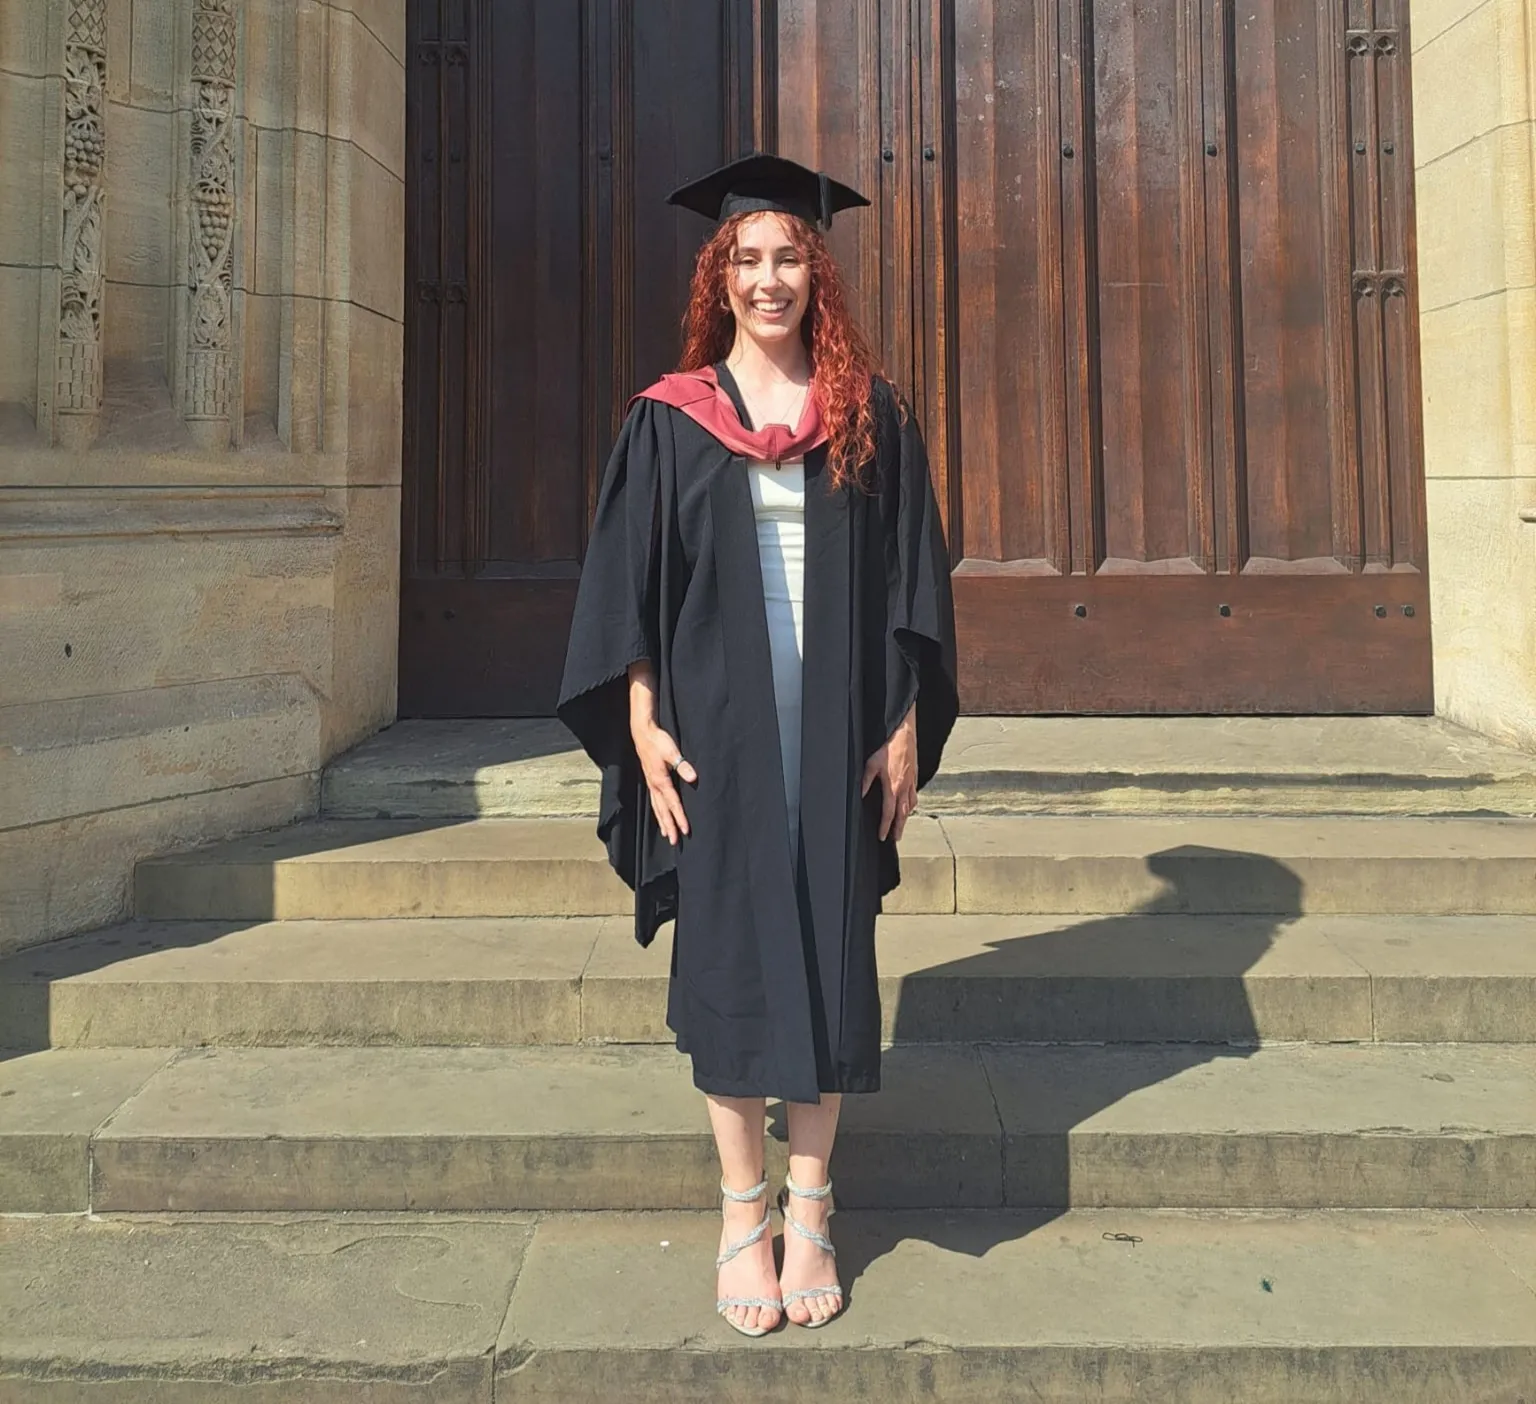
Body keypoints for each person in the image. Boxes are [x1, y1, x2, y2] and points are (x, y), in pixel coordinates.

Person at [558, 153, 958, 1337]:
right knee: (730, 955)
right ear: (718, 276)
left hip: (837, 728)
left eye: (789, 257)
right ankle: (745, 1214)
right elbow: (627, 587)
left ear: (816, 272)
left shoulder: (871, 414)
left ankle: (816, 1205)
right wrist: (638, 713)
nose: (768, 278)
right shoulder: (670, 421)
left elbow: (911, 585)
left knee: (831, 947)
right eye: (748, 259)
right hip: (719, 735)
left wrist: (903, 727)